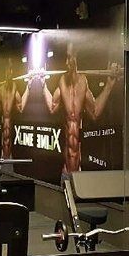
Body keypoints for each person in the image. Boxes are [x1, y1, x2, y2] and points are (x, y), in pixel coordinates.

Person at [39, 42, 121, 175]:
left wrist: (109, 86)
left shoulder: (83, 82)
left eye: (69, 57)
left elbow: (95, 112)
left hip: (78, 171)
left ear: (76, 58)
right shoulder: (62, 82)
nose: (67, 62)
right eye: (66, 58)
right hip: (66, 170)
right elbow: (53, 107)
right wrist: (43, 85)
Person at [0, 59, 30, 159]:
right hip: (3, 123)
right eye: (8, 70)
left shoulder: (14, 88)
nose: (9, 72)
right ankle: (4, 158)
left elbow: (20, 108)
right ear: (5, 72)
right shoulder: (1, 89)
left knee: (8, 139)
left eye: (11, 70)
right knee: (4, 139)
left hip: (11, 124)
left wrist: (28, 88)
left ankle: (7, 159)